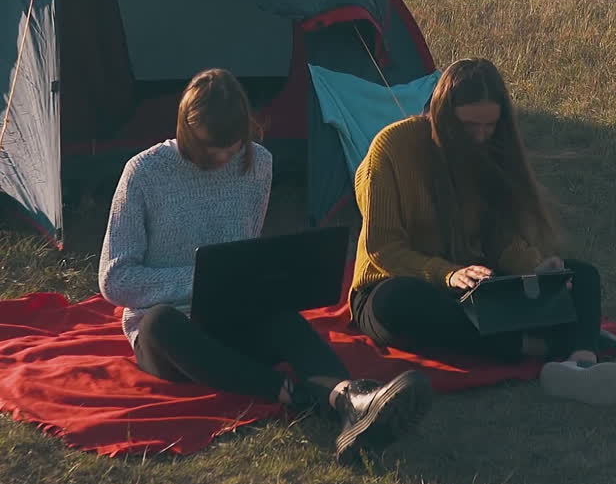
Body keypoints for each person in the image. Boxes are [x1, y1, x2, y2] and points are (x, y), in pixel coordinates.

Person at [99, 68, 431, 462]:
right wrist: (200, 281)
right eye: (210, 148)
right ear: (187, 130)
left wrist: (256, 281)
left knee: (283, 318)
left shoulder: (257, 164)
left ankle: (350, 397)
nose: (223, 158)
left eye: (233, 145)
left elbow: (244, 252)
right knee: (159, 321)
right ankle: (296, 394)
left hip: (233, 317)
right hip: (173, 339)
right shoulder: (144, 173)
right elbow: (115, 279)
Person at [351, 58, 616, 407]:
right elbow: (383, 248)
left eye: (490, 125)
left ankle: (580, 364)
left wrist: (534, 268)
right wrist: (449, 274)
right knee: (397, 303)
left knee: (581, 275)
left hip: (476, 286)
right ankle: (551, 345)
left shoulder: (491, 149)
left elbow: (497, 239)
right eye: (469, 125)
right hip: (399, 283)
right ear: (443, 115)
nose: (480, 135)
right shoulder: (393, 147)